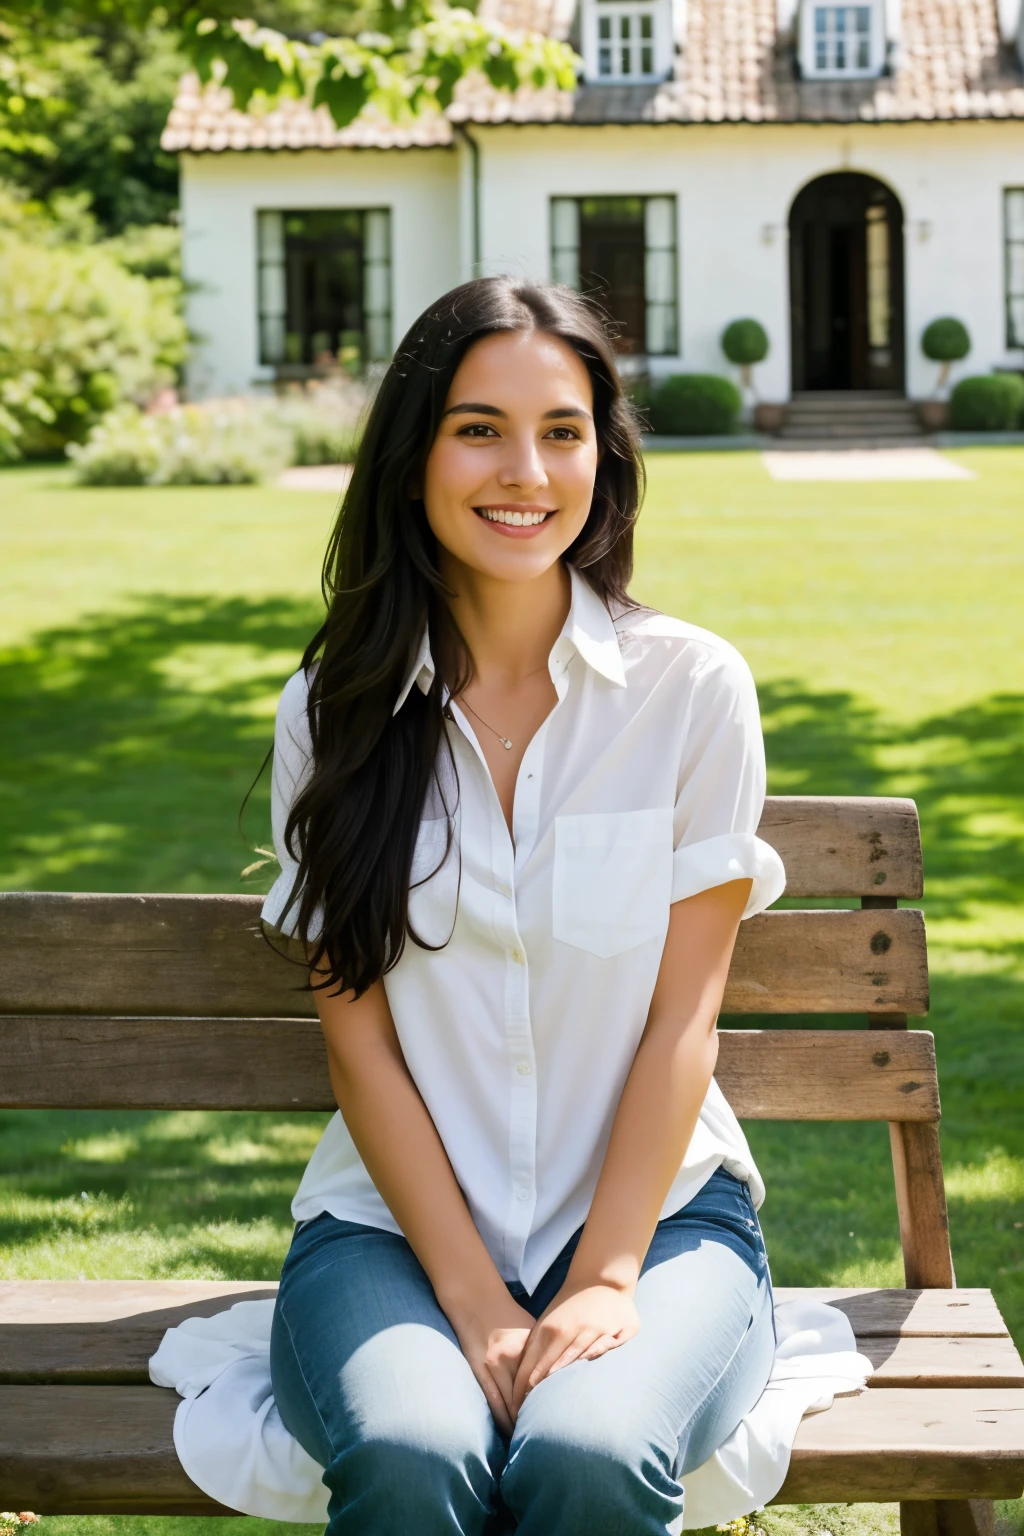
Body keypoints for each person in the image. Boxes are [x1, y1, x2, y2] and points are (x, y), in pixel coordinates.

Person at [261, 276, 787, 1536]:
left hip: (658, 1224)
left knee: (590, 1454)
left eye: (562, 431)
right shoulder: (332, 710)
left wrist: (605, 1277)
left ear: (604, 455)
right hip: (388, 1231)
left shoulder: (691, 690)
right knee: (409, 1444)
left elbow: (681, 1022)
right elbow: (361, 1038)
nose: (527, 471)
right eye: (478, 427)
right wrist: (470, 1294)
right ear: (413, 454)